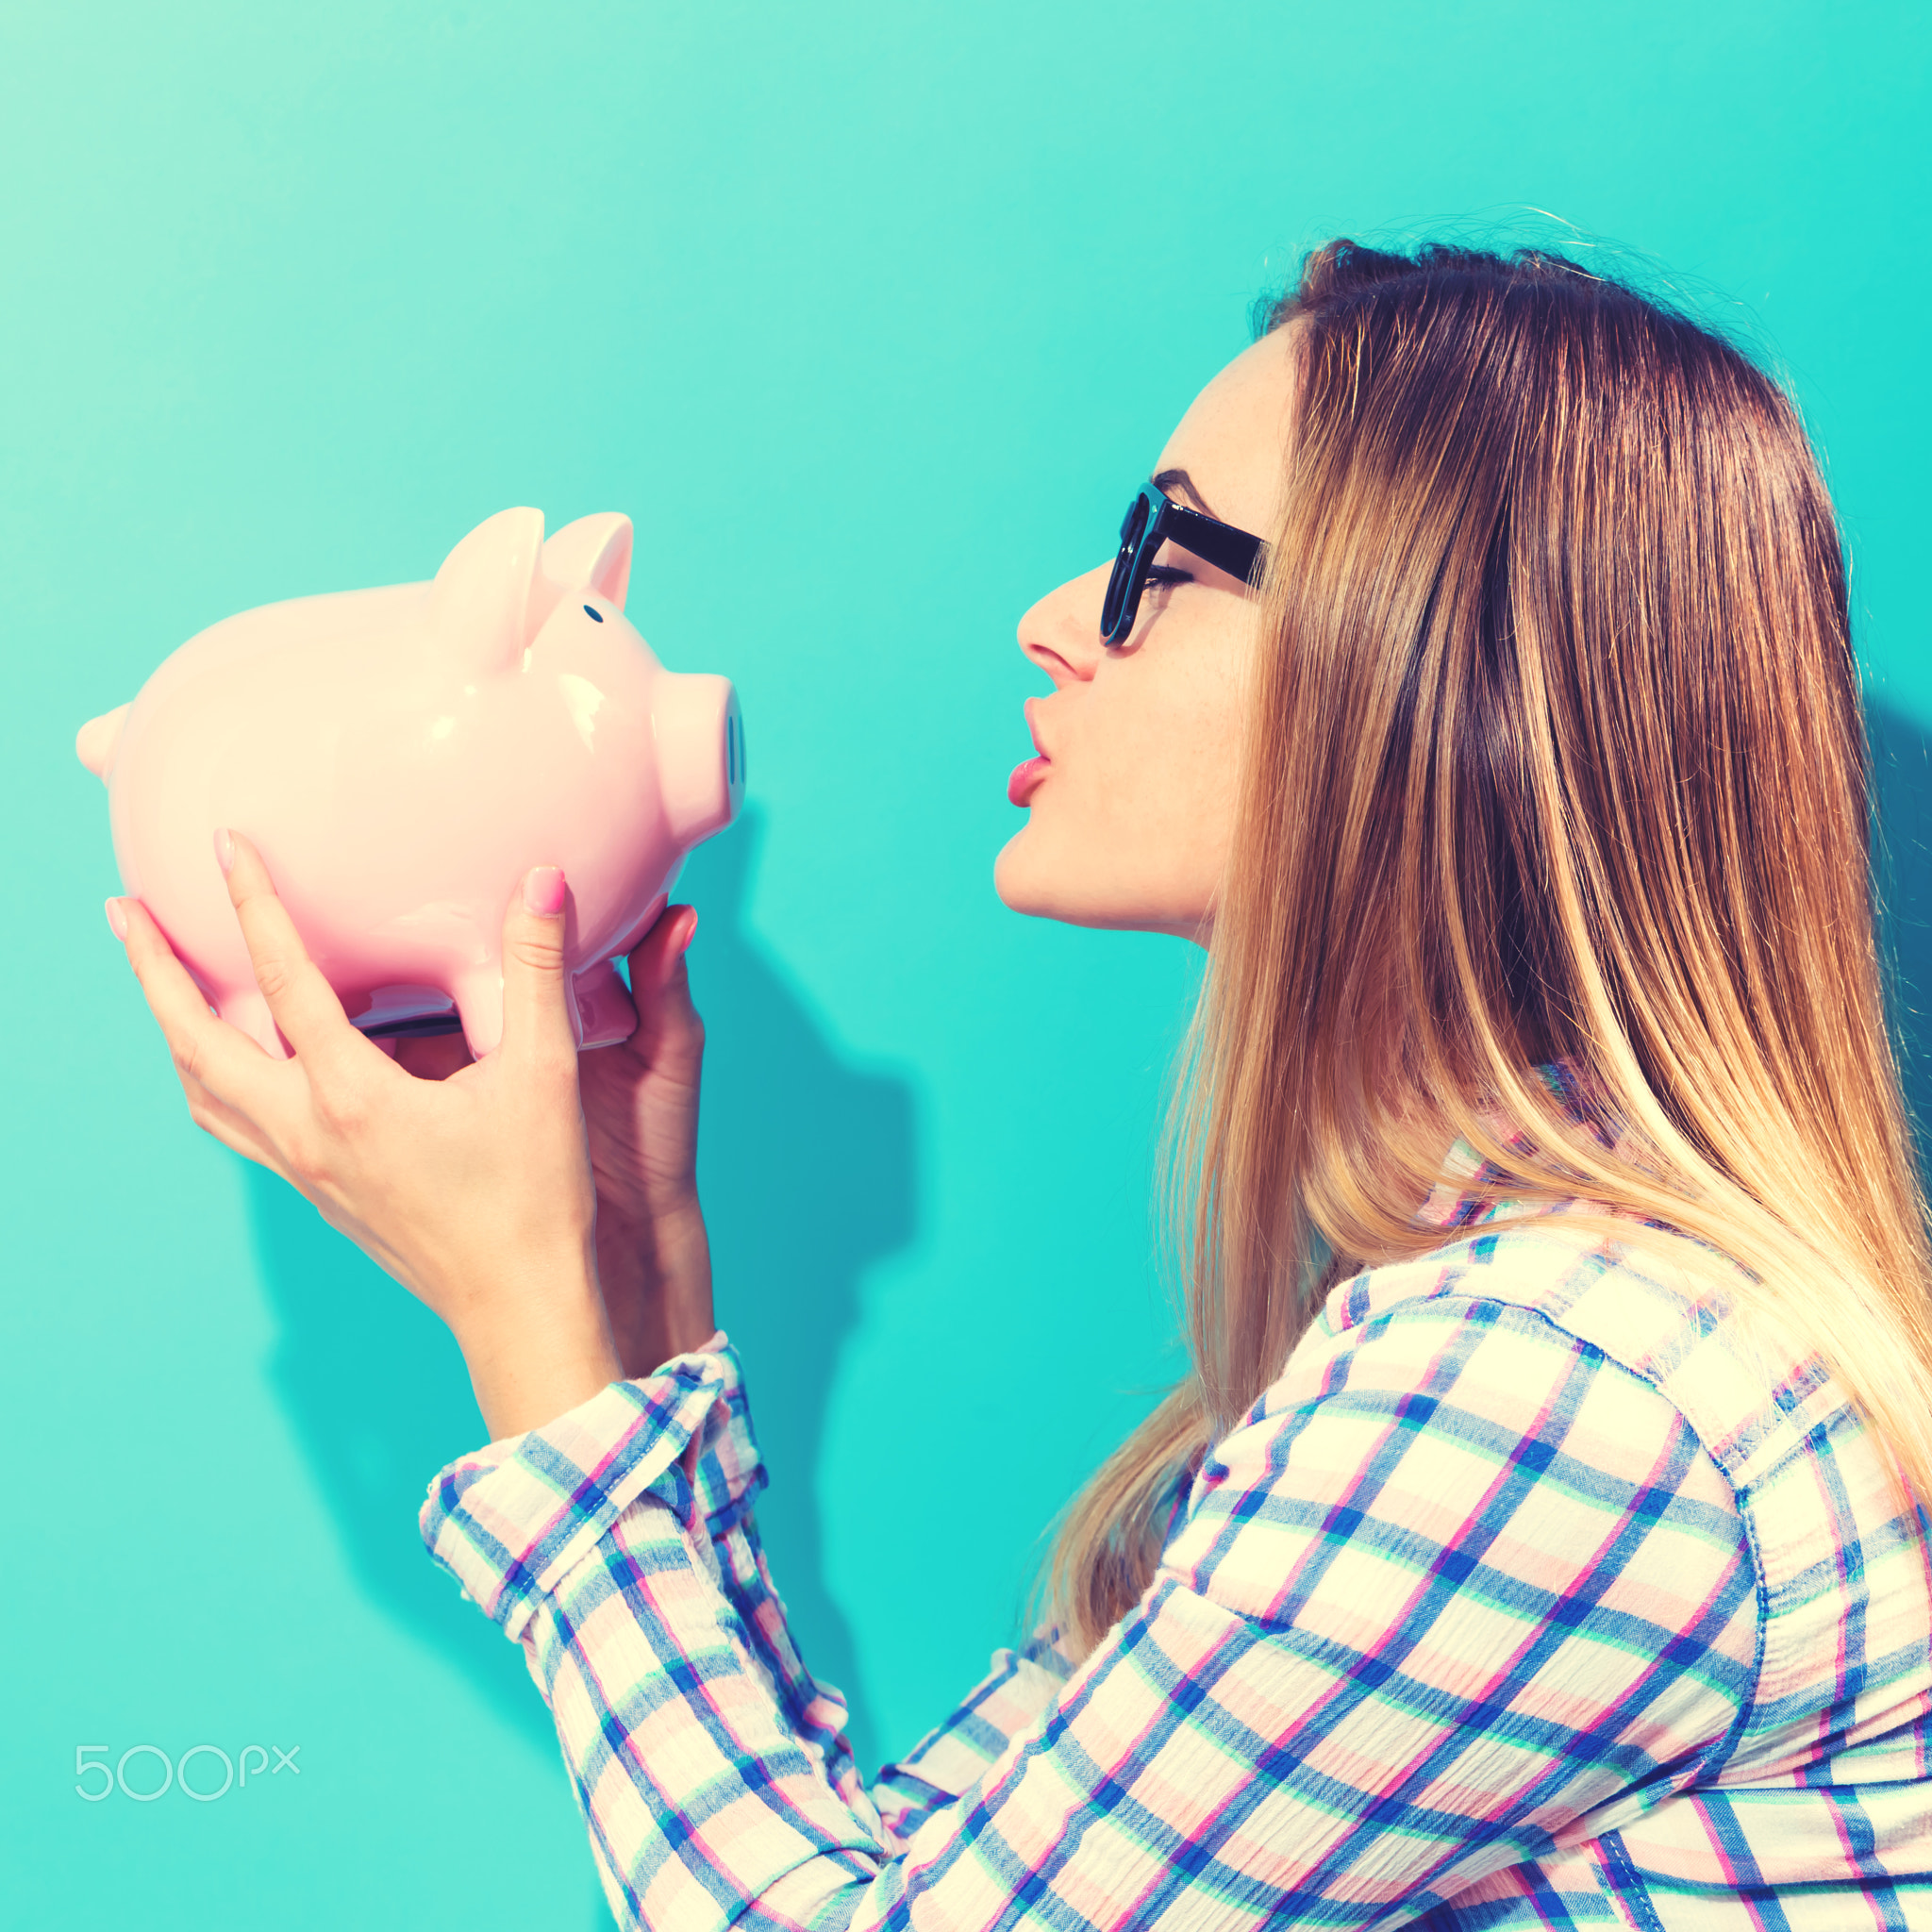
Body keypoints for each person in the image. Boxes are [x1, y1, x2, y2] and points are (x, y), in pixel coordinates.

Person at [108, 238, 1932, 1924]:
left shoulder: (1550, 1401)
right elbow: (902, 1875)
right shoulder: (1508, 1341)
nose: (1058, 616)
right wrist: (628, 1264)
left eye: (1161, 553)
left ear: (1427, 675)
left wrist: (517, 1327)